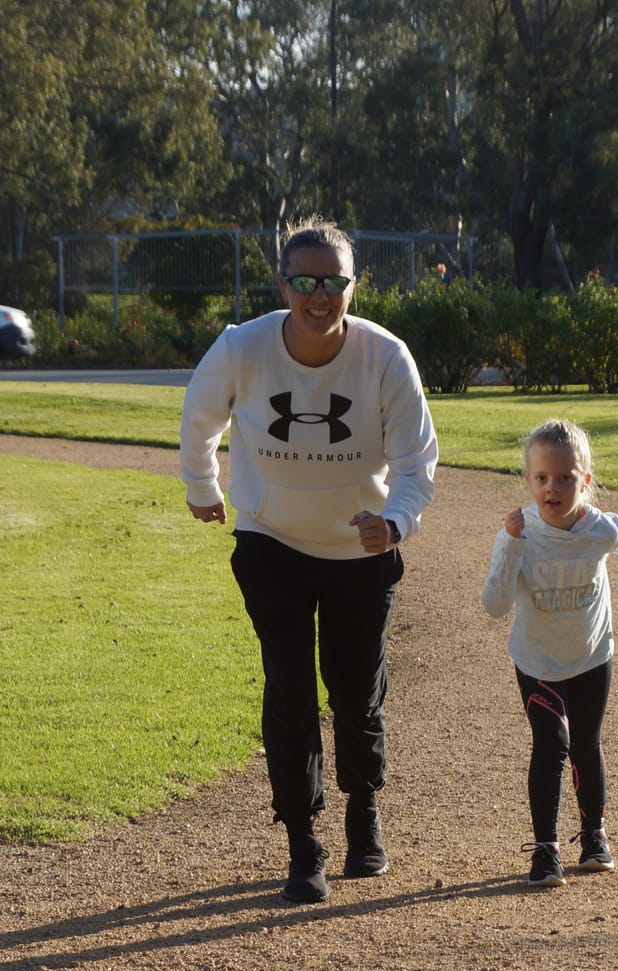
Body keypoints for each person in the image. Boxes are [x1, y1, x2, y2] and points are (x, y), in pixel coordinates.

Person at [180, 217, 439, 904]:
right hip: (272, 544)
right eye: (305, 282)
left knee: (356, 693)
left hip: (360, 551)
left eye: (333, 282)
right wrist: (203, 488)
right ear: (283, 282)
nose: (319, 297)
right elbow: (200, 414)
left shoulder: (386, 357)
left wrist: (394, 520)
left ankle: (364, 810)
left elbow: (416, 463)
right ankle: (303, 840)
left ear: (353, 285)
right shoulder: (244, 347)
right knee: (289, 688)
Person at [479, 419, 618, 888]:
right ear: (529, 481)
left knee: (586, 744)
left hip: (591, 655)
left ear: (584, 482)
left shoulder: (596, 529)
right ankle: (546, 849)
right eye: (542, 478)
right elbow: (493, 605)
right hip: (538, 661)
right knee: (551, 745)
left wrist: (610, 527)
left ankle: (594, 837)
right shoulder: (518, 533)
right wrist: (509, 545)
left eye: (566, 478)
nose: (554, 488)